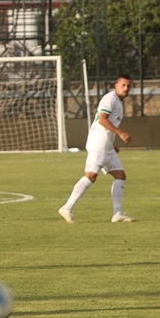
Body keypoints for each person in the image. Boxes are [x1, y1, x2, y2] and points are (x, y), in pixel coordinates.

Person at [59, 75, 135, 223]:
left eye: (128, 86)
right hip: (98, 144)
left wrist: (111, 144)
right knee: (90, 176)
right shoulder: (110, 99)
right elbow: (102, 120)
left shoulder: (119, 102)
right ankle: (67, 208)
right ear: (116, 85)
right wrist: (120, 133)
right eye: (123, 85)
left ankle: (117, 214)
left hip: (106, 146)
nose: (126, 88)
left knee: (120, 175)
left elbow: (107, 125)